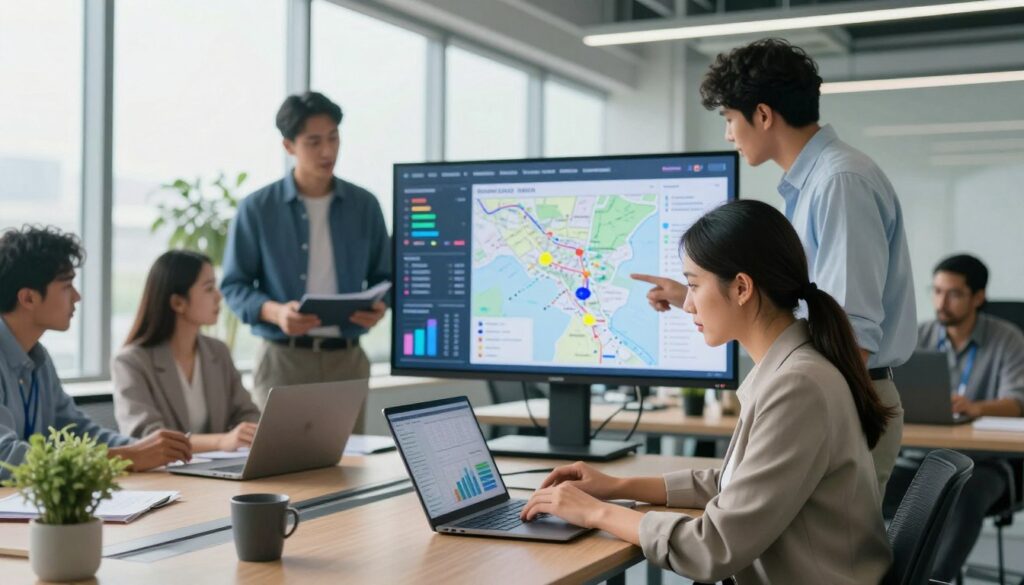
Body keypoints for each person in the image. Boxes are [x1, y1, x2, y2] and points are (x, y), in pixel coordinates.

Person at [522, 200, 893, 584]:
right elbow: (733, 485)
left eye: (694, 285)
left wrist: (596, 513)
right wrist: (615, 487)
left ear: (742, 288)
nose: (686, 301)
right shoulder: (793, 369)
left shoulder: (799, 386)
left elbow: (712, 548)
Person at [632, 38, 915, 494]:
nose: (727, 134)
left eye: (729, 119)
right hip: (826, 393)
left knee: (808, 557)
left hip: (845, 397)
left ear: (762, 115)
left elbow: (853, 331)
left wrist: (797, 405)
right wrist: (693, 296)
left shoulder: (839, 182)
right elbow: (793, 306)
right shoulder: (815, 183)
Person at [221, 91, 391, 410]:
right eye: (314, 142)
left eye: (333, 138)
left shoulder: (365, 205)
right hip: (283, 361)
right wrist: (277, 313)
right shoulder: (258, 208)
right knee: (277, 459)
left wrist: (379, 308)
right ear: (289, 146)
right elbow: (233, 286)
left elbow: (387, 276)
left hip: (348, 362)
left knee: (350, 460)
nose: (328, 151)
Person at [0, 226, 191, 476]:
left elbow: (77, 432)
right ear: (28, 298)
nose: (77, 296)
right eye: (67, 286)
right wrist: (128, 457)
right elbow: (5, 457)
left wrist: (147, 450)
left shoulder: (38, 358)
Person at [915, 254, 1024, 581]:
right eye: (936, 291)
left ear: (978, 297)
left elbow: (1018, 402)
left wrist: (976, 407)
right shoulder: (917, 337)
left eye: (953, 293)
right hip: (924, 456)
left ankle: (935, 579)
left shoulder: (1008, 339)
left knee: (964, 489)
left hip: (990, 463)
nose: (941, 302)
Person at [112, 250, 261, 452]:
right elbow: (147, 436)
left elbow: (247, 414)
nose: (219, 296)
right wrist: (221, 441)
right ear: (178, 303)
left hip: (219, 472)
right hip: (163, 476)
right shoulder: (131, 362)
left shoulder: (218, 351)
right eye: (209, 289)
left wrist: (245, 434)